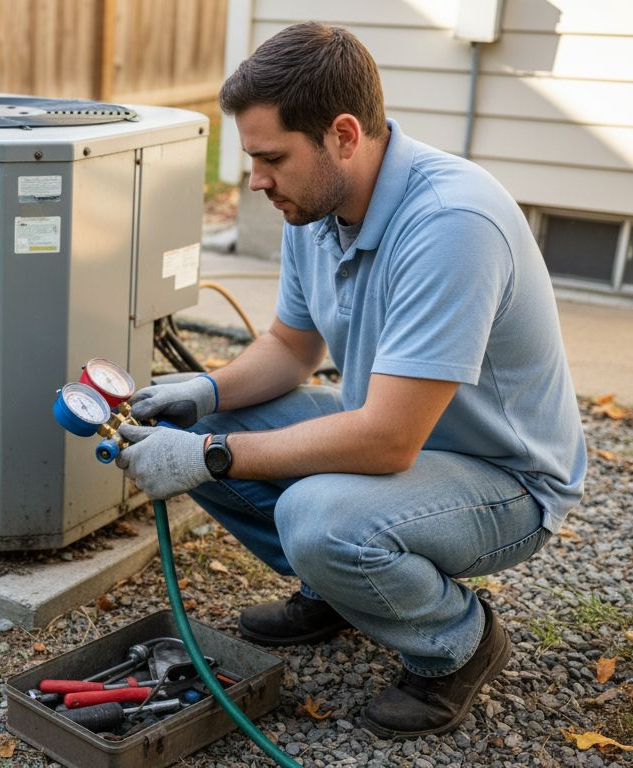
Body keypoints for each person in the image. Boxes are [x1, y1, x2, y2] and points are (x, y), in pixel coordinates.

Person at [115, 21, 587, 739]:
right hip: (396, 441)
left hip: (504, 479)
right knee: (196, 431)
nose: (256, 181)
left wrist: (211, 456)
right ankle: (343, 587)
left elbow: (388, 440)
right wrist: (204, 398)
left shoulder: (450, 223)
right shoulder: (314, 208)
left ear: (342, 134)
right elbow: (289, 347)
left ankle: (457, 643)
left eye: (271, 158)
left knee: (315, 515)